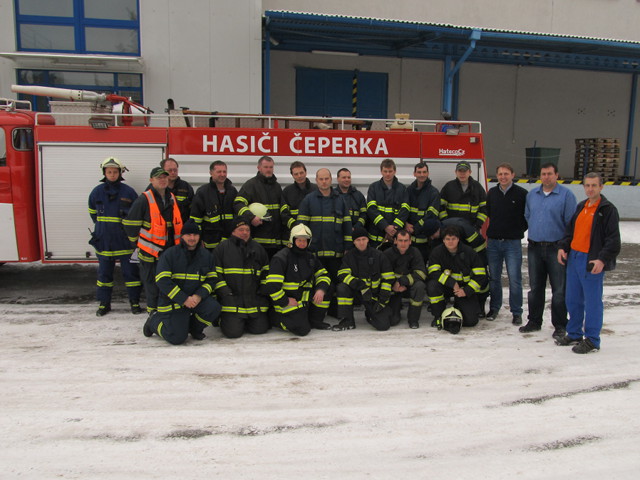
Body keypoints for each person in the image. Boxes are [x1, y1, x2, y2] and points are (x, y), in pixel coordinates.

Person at [556, 172, 620, 354]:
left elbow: (613, 240)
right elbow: (570, 232)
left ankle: (592, 339)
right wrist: (563, 247)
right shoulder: (581, 207)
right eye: (587, 185)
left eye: (594, 185)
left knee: (592, 302)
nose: (590, 189)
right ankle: (574, 333)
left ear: (601, 187)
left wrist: (601, 259)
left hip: (591, 260)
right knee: (573, 299)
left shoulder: (607, 210)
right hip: (574, 258)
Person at [522, 162, 577, 339]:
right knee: (535, 287)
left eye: (550, 174)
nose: (546, 177)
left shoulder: (566, 196)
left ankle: (560, 325)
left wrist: (565, 247)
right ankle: (534, 321)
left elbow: (571, 223)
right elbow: (528, 215)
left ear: (556, 175)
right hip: (535, 247)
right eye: (543, 174)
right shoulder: (532, 195)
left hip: (557, 249)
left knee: (559, 290)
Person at [143, 219, 221, 345]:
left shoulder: (206, 256)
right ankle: (153, 321)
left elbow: (211, 280)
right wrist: (184, 299)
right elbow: (162, 281)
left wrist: (198, 295)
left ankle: (194, 329)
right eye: (188, 235)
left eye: (195, 235)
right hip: (173, 301)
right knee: (177, 338)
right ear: (182, 236)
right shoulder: (170, 254)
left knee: (214, 308)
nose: (192, 238)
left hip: (195, 300)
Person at [123, 166, 183, 315]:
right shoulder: (144, 199)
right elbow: (130, 225)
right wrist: (136, 245)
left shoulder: (171, 197)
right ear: (151, 180)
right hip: (150, 252)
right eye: (159, 178)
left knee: (167, 281)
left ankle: (165, 310)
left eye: (164, 177)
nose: (162, 180)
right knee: (151, 284)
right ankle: (153, 313)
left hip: (168, 250)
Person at [88, 157, 142, 316]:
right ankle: (104, 304)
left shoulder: (129, 192)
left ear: (120, 172)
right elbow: (93, 213)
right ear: (104, 173)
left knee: (131, 273)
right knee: (104, 274)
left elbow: (135, 215)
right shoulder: (96, 192)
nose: (112, 174)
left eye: (115, 171)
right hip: (104, 241)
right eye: (109, 172)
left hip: (125, 241)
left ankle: (135, 302)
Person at [439, 160, 489, 314]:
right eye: (459, 170)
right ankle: (448, 296)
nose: (462, 173)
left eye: (465, 170)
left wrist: (477, 226)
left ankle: (479, 301)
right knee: (450, 267)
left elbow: (484, 209)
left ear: (470, 172)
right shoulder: (449, 187)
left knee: (477, 268)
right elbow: (441, 208)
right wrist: (448, 228)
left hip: (471, 235)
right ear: (456, 172)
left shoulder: (477, 188)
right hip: (452, 236)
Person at [265, 224, 332, 335]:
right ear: (293, 240)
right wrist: (285, 301)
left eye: (305, 240)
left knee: (327, 287)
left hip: (304, 301)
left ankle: (315, 320)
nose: (302, 243)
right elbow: (272, 286)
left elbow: (324, 275)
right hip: (288, 302)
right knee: (302, 330)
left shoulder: (310, 257)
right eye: (299, 240)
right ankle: (275, 318)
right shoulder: (281, 258)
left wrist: (321, 290)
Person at [485, 163, 528, 325]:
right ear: (496, 176)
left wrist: (517, 230)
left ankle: (516, 312)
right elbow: (488, 213)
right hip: (494, 243)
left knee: (514, 278)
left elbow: (527, 217)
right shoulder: (492, 193)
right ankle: (494, 308)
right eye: (500, 174)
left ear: (512, 174)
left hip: (512, 243)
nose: (503, 177)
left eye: (506, 174)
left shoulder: (522, 194)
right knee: (494, 278)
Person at [213, 217, 270, 338]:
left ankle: (244, 321)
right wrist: (226, 294)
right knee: (233, 333)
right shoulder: (222, 249)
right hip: (232, 301)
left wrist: (262, 291)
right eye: (241, 229)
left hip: (253, 300)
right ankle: (223, 319)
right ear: (233, 232)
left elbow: (266, 272)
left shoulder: (258, 248)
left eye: (247, 230)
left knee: (260, 329)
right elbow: (215, 275)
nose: (245, 233)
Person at [333, 225, 395, 331]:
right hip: (357, 292)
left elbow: (388, 278)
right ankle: (348, 320)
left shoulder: (379, 255)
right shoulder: (349, 256)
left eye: (364, 239)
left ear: (367, 240)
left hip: (373, 296)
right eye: (358, 240)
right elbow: (342, 274)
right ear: (354, 242)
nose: (361, 242)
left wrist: (382, 301)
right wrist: (359, 285)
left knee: (383, 326)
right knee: (342, 288)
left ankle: (371, 314)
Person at [426, 225, 487, 329]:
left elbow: (481, 276)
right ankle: (438, 316)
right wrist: (452, 283)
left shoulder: (469, 252)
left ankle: (458, 309)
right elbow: (433, 272)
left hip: (463, 289)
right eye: (447, 239)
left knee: (471, 321)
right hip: (445, 286)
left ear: (458, 239)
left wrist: (467, 290)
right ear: (443, 240)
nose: (450, 242)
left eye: (453, 239)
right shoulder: (437, 252)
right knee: (432, 286)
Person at [297, 168, 352, 282]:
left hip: (336, 253)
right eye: (321, 179)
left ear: (331, 180)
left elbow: (347, 226)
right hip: (314, 253)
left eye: (326, 178)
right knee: (316, 284)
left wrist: (347, 247)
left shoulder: (340, 200)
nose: (324, 181)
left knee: (336, 284)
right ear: (316, 180)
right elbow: (301, 228)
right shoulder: (308, 200)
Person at [234, 155, 283, 258]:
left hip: (276, 243)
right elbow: (238, 204)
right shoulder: (251, 185)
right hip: (258, 242)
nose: (269, 170)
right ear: (259, 168)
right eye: (266, 167)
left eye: (271, 167)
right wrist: (251, 217)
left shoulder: (277, 186)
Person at [383, 229, 427, 328]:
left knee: (420, 286)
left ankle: (413, 320)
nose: (403, 243)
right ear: (395, 241)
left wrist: (402, 281)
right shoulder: (387, 254)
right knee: (393, 321)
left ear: (410, 241)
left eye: (406, 240)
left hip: (408, 287)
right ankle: (394, 312)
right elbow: (382, 275)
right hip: (393, 289)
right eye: (400, 240)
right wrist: (394, 286)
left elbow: (421, 273)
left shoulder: (415, 252)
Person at [190, 160, 238, 250]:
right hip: (209, 242)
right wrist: (198, 238)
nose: (222, 174)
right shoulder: (203, 192)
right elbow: (195, 219)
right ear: (211, 173)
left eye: (224, 171)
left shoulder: (232, 191)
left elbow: (236, 215)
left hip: (229, 241)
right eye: (219, 172)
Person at [366, 158, 410, 248]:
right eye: (385, 171)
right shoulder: (373, 188)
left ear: (395, 171)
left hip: (394, 236)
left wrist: (394, 228)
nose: (388, 174)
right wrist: (385, 226)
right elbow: (371, 210)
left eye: (390, 171)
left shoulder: (402, 189)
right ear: (381, 171)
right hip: (376, 237)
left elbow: (405, 210)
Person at [406, 161, 441, 262]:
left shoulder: (433, 192)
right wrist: (406, 224)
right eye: (419, 172)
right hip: (409, 239)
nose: (422, 175)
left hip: (426, 241)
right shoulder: (408, 190)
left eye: (424, 172)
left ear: (428, 173)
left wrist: (415, 228)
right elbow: (403, 209)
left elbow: (432, 215)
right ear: (414, 174)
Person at [280, 161, 317, 237]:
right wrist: (294, 226)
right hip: (294, 232)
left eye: (301, 173)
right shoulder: (287, 191)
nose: (299, 176)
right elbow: (284, 213)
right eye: (296, 174)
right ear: (292, 175)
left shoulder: (316, 190)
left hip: (313, 231)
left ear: (306, 172)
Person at [160, 158, 194, 222]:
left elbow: (193, 209)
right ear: (162, 171)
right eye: (170, 170)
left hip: (181, 227)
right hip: (162, 228)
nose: (173, 172)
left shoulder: (186, 187)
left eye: (175, 170)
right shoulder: (157, 188)